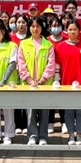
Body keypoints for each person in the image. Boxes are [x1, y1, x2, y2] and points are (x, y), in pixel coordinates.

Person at [17, 17, 55, 145]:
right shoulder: (23, 44)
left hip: (44, 84)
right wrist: (29, 79)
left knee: (44, 111)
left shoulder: (48, 45)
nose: (35, 29)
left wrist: (42, 80)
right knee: (30, 111)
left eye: (38, 26)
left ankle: (43, 136)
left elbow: (51, 65)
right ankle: (32, 136)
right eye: (33, 26)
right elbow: (21, 63)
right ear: (29, 28)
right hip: (29, 85)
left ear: (42, 28)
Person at [55, 20, 81, 146]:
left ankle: (80, 133)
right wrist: (57, 80)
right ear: (66, 31)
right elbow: (57, 66)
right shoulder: (60, 47)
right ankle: (71, 133)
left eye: (75, 29)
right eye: (70, 29)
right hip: (66, 83)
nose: (72, 32)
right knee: (69, 111)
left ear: (79, 31)